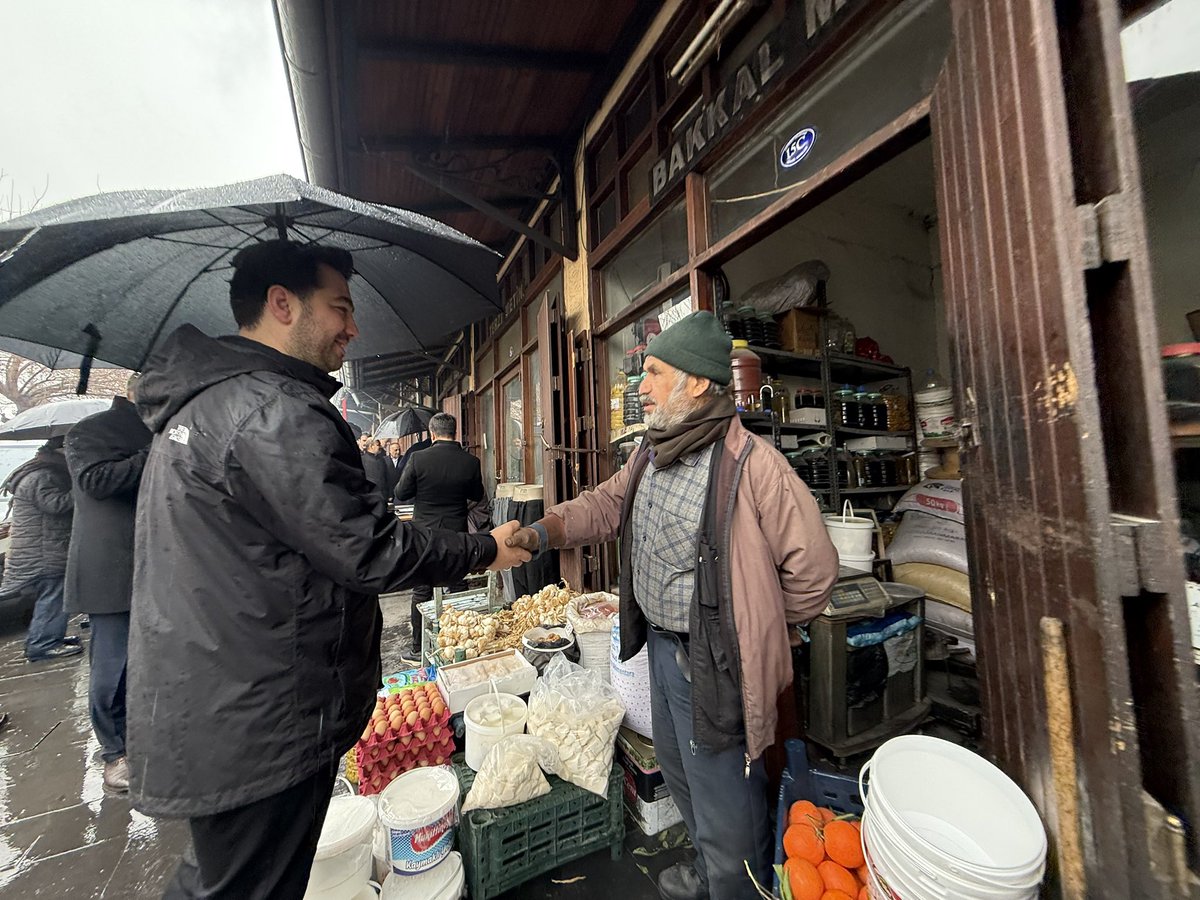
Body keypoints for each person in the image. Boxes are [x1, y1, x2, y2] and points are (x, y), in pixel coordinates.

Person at [128, 239, 530, 900]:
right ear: (282, 305)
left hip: (223, 701)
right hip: (259, 712)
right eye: (340, 307)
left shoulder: (210, 407)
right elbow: (369, 550)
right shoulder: (270, 413)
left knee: (229, 881)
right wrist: (486, 549)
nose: (353, 327)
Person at [506, 311, 839, 900]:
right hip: (661, 648)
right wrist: (540, 532)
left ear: (699, 383)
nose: (642, 386)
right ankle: (711, 874)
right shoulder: (650, 454)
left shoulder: (754, 466)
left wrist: (752, 628)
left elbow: (812, 575)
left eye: (656, 372)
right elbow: (606, 507)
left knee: (724, 791)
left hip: (715, 659)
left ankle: (738, 886)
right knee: (679, 769)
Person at [64, 373, 152, 793]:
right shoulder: (92, 431)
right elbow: (96, 481)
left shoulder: (167, 429)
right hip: (114, 570)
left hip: (167, 567)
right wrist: (158, 452)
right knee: (114, 668)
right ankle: (115, 751)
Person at [395, 413, 485, 654]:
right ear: (454, 432)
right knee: (457, 585)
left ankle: (417, 648)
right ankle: (462, 644)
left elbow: (401, 493)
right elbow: (477, 495)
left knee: (422, 589)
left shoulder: (418, 458)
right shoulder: (470, 462)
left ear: (432, 433)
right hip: (456, 533)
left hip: (423, 534)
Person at [0, 435, 83, 662]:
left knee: (53, 595)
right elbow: (56, 505)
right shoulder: (44, 475)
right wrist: (80, 486)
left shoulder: (41, 471)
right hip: (44, 552)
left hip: (43, 548)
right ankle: (42, 645)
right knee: (53, 596)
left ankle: (49, 638)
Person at [359, 437, 391, 508]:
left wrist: (389, 494)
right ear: (371, 446)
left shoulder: (381, 459)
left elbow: (387, 477)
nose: (379, 447)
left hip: (383, 495)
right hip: (369, 496)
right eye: (377, 445)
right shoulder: (362, 460)